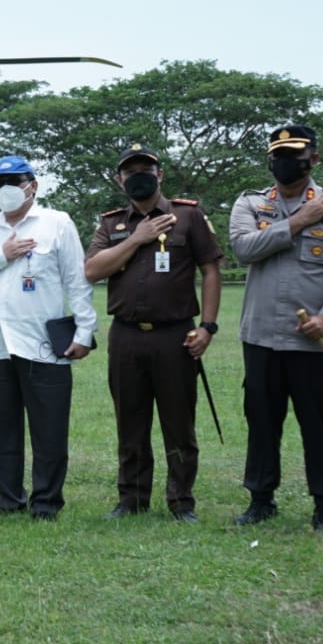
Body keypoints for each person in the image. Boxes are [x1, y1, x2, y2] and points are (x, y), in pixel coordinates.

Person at [227, 126, 323, 531]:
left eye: (295, 153)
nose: (285, 161)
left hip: (313, 340)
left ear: (314, 159)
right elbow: (243, 248)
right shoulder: (251, 203)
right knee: (262, 422)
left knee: (318, 424)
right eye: (278, 153)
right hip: (260, 336)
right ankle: (260, 499)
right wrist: (299, 222)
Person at [0, 155, 96, 520]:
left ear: (33, 185)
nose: (7, 190)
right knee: (1, 428)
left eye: (15, 181)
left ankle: (46, 502)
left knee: (49, 429)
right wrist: (2, 255)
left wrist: (85, 331)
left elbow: (77, 281)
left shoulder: (56, 223)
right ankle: (8, 499)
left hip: (43, 344)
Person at [83, 143, 223, 522]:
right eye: (130, 171)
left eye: (147, 169)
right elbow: (92, 270)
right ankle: (132, 499)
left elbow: (210, 269)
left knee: (179, 423)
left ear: (160, 174)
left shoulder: (188, 216)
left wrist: (207, 327)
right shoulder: (112, 224)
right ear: (119, 179)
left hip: (175, 336)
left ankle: (181, 501)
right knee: (130, 422)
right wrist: (138, 238)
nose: (139, 176)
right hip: (126, 336)